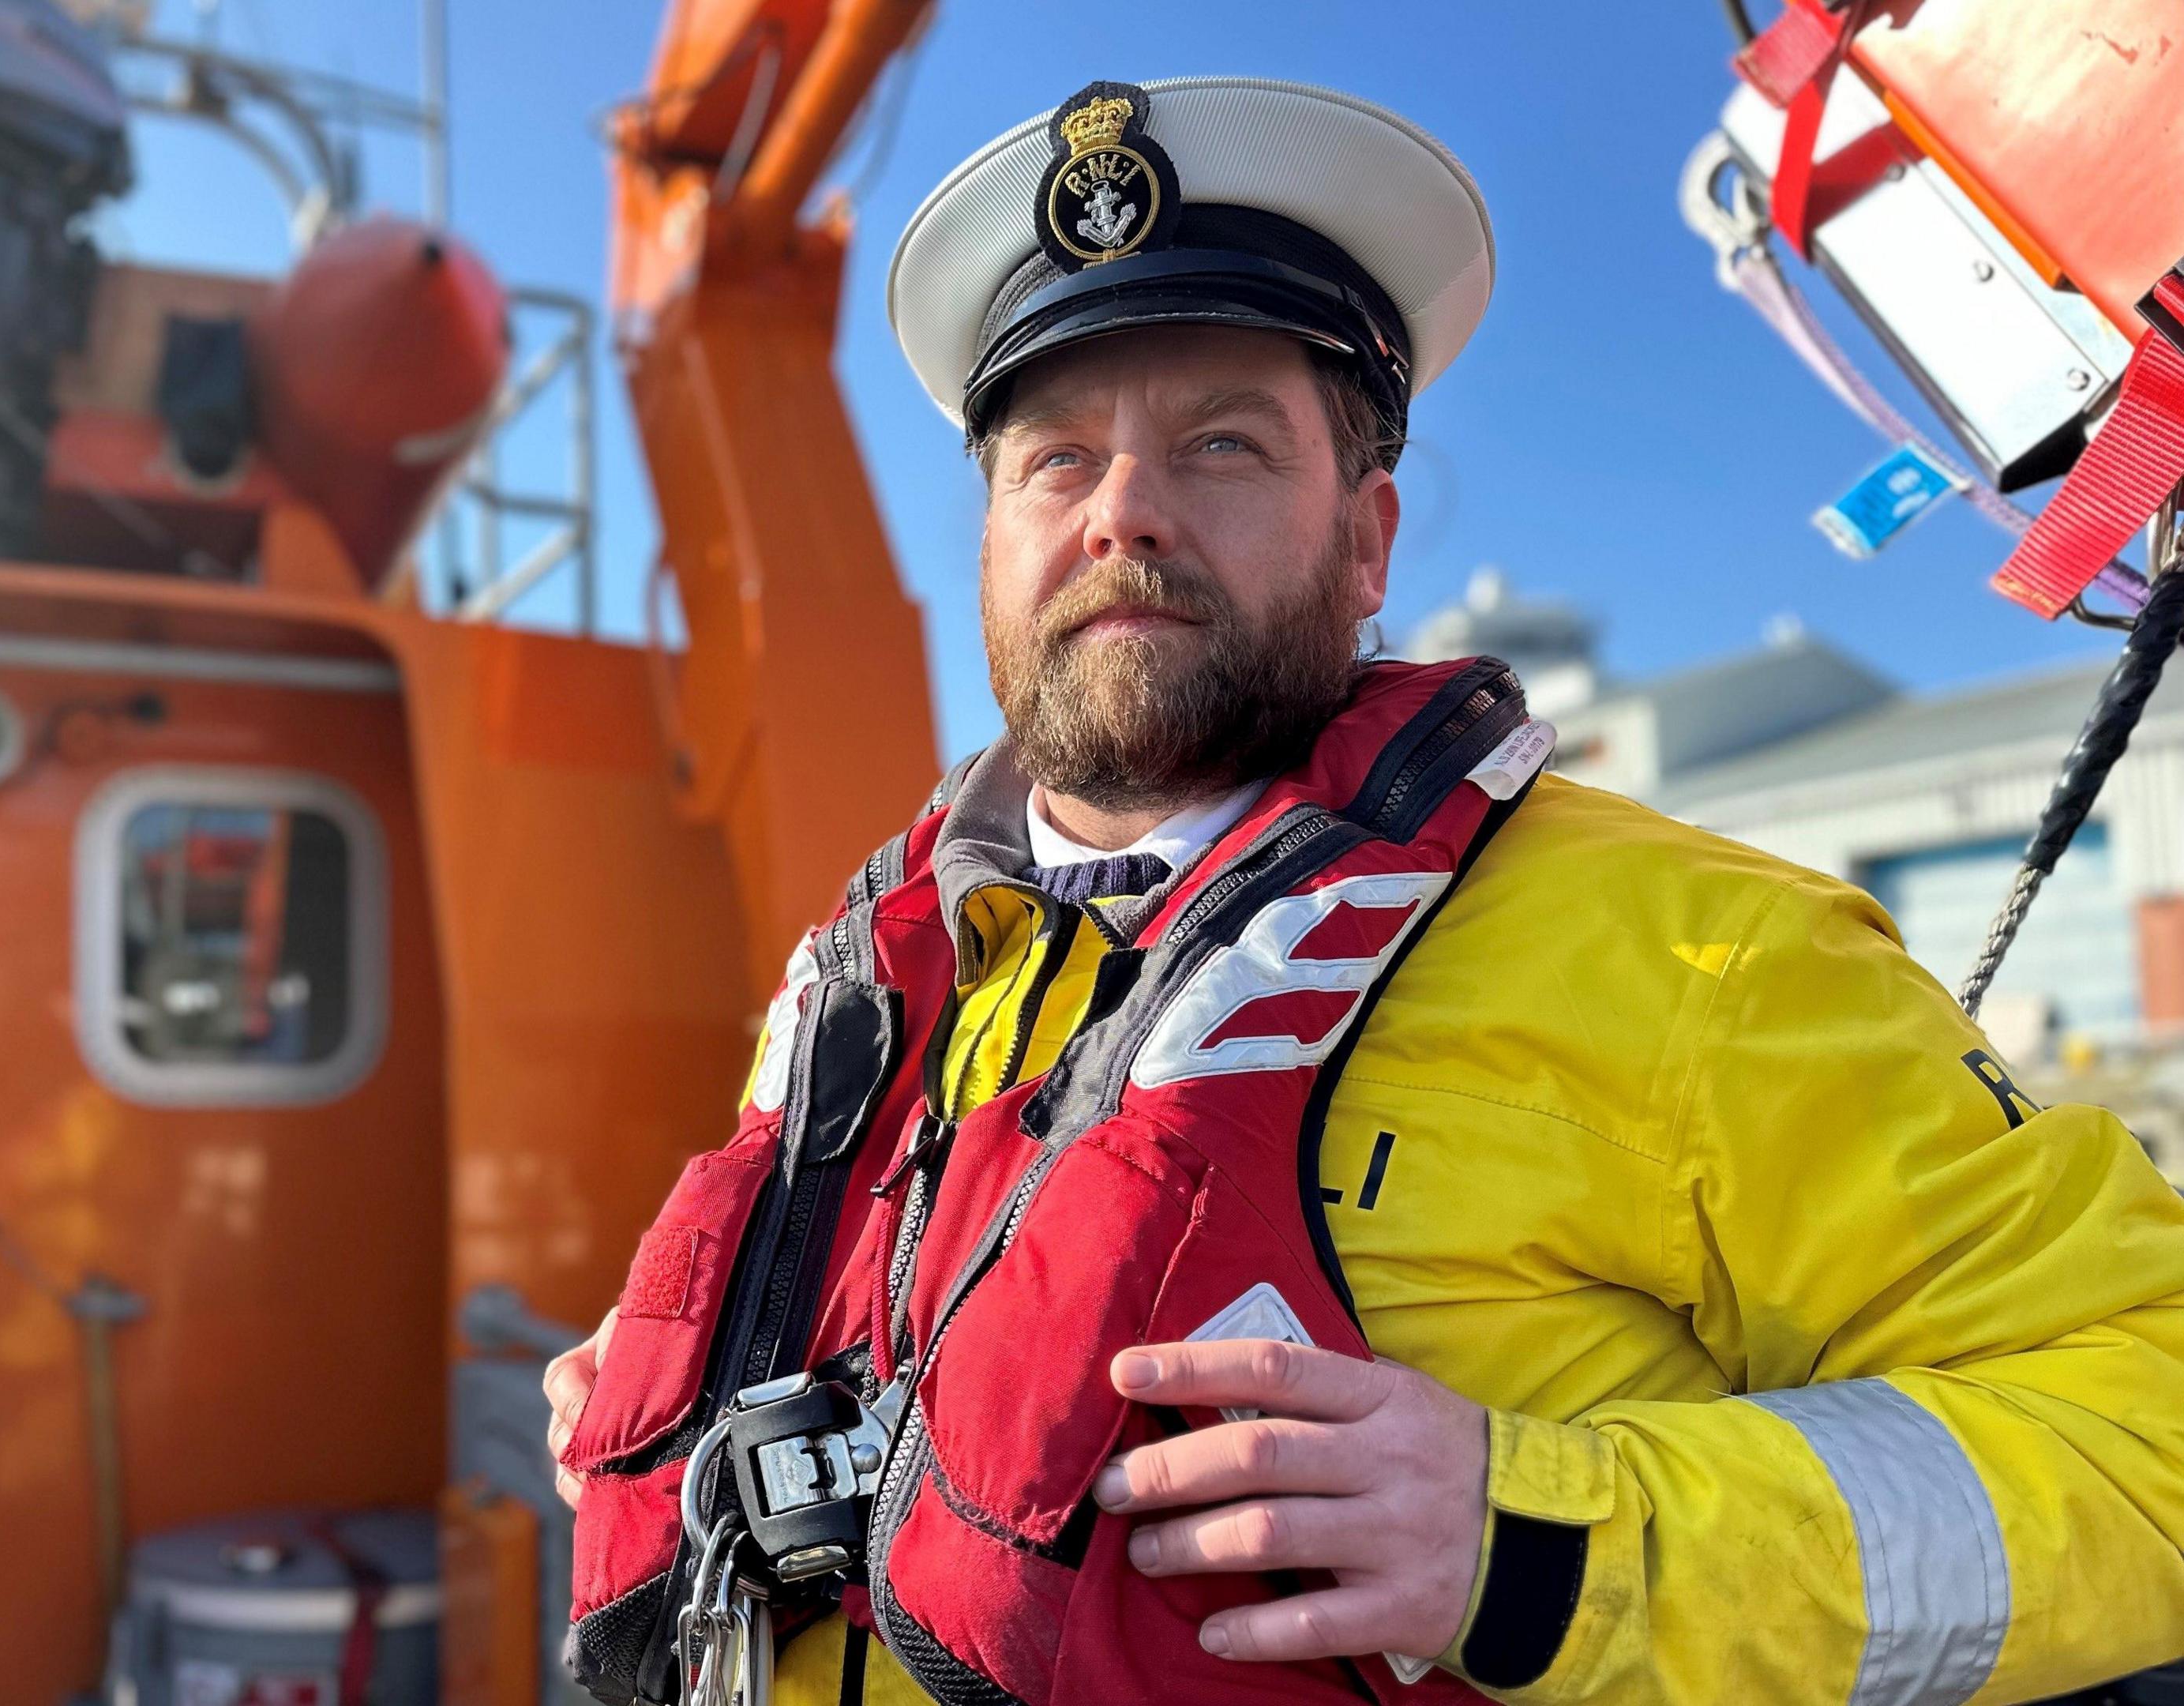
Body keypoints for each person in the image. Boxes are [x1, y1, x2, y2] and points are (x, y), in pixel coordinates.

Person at [544, 73, 2184, 1706]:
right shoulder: (878, 982)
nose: (1124, 512)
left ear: (1368, 538)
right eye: (1055, 461)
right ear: (989, 538)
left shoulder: (1697, 956)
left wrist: (1539, 1541)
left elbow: (2148, 1431)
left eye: (1223, 445)